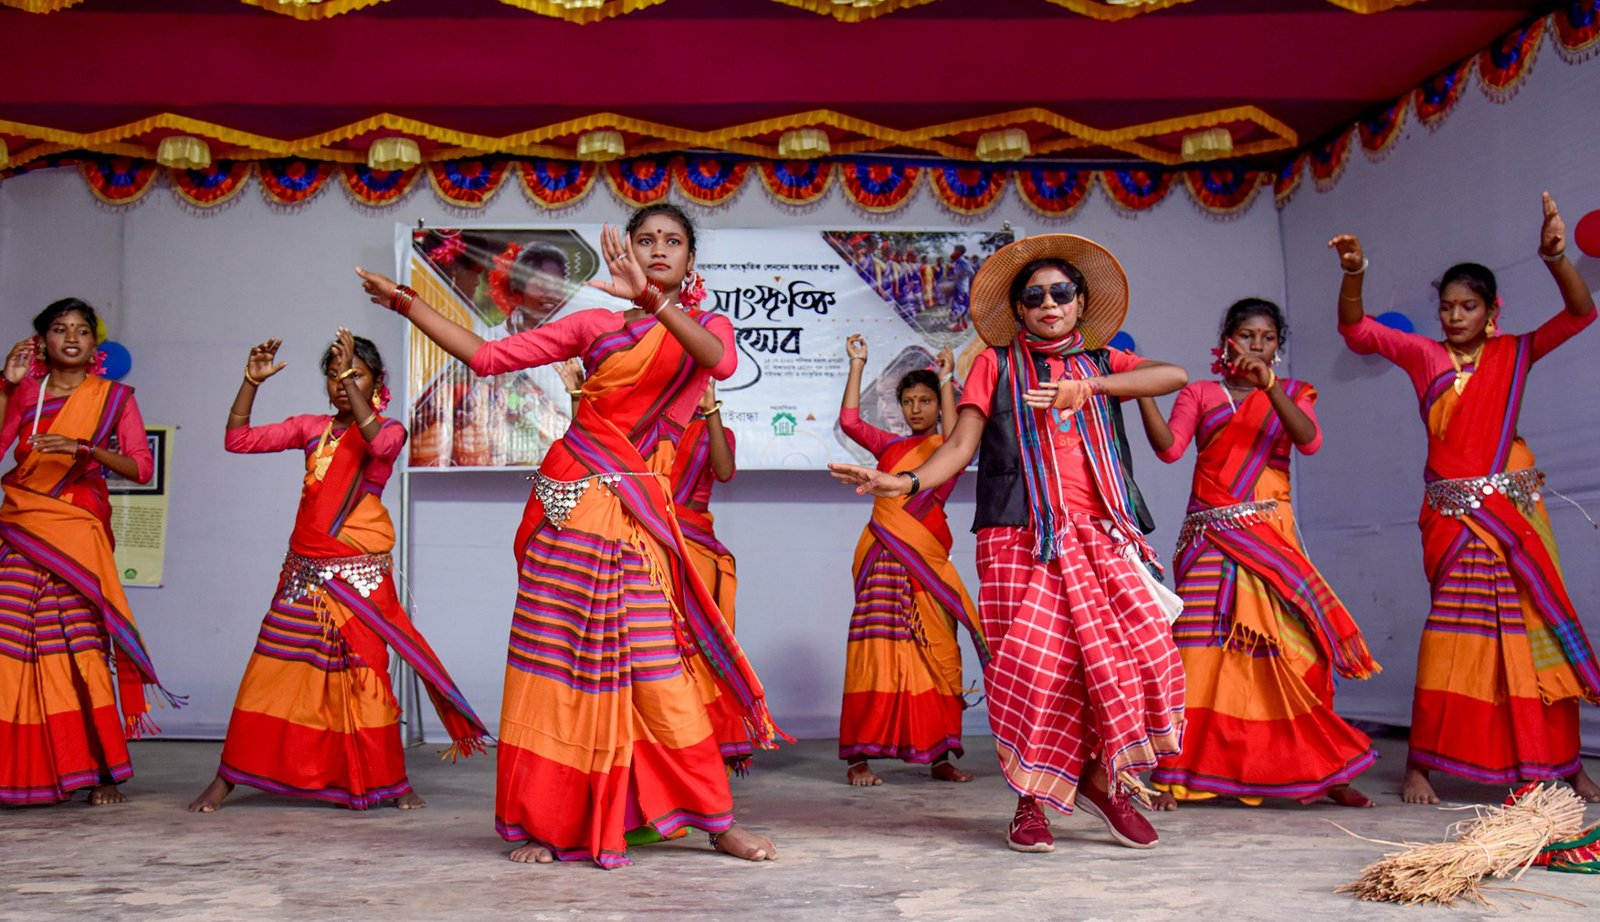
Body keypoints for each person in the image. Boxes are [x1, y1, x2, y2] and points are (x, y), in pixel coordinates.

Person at [355, 202, 782, 868]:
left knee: (659, 670)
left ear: (691, 262)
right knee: (554, 665)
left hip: (635, 511)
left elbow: (718, 364)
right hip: (569, 500)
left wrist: (651, 301)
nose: (660, 249)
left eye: (674, 242)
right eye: (647, 240)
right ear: (628, 252)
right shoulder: (593, 324)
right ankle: (542, 821)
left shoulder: (705, 326)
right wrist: (408, 302)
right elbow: (490, 356)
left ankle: (715, 820)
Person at [831, 234, 1187, 852]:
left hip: (1103, 534)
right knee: (1037, 672)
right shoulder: (993, 365)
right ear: (1020, 310)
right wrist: (904, 479)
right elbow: (961, 446)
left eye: (1061, 293)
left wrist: (1088, 389)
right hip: (1019, 538)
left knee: (1139, 658)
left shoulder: (1103, 363)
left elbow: (1174, 375)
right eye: (1035, 297)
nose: (1049, 304)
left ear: (1078, 304)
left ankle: (1104, 782)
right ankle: (1032, 804)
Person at [1333, 192, 1600, 805]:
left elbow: (1581, 315)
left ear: (1491, 311)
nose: (1455, 317)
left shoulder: (1514, 353)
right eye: (1448, 307)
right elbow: (1356, 329)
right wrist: (1354, 275)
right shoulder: (1423, 355)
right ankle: (1421, 765)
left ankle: (1560, 763)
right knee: (1455, 641)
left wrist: (1556, 260)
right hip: (1455, 522)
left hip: (1514, 515)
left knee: (1540, 635)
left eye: (1468, 307)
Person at [189, 330, 488, 813]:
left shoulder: (390, 430)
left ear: (376, 382)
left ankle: (391, 781)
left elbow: (378, 445)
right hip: (305, 573)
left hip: (359, 577)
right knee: (272, 676)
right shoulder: (311, 428)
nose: (339, 384)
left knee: (367, 679)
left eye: (353, 374)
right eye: (332, 375)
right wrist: (250, 382)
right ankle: (229, 777)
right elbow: (237, 440)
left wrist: (352, 382)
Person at [1138, 298, 1378, 810]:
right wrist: (1142, 395)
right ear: (1226, 339)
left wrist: (1270, 388)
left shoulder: (1295, 392)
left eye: (1267, 338)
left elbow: (1309, 442)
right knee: (1197, 654)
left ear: (1278, 347)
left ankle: (1325, 770)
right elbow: (1169, 450)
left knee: (1302, 654)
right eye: (1247, 335)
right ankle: (1174, 773)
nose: (1256, 345)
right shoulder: (1201, 393)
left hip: (1272, 540)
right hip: (1210, 541)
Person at [0, 297, 174, 806]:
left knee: (78, 645)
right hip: (23, 527)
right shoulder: (26, 392)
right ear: (42, 342)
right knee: (12, 643)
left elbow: (141, 468)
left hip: (78, 533)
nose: (71, 337)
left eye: (81, 329)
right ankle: (17, 768)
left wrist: (85, 450)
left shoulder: (113, 398)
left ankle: (99, 771)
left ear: (95, 345)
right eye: (59, 328)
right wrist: (7, 384)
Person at [836, 337, 981, 786]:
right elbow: (849, 420)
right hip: (883, 560)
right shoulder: (889, 448)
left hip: (928, 562)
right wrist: (858, 362)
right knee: (874, 653)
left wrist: (946, 377)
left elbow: (958, 435)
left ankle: (938, 754)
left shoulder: (949, 450)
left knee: (937, 651)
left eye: (926, 400)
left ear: (940, 404)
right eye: (908, 401)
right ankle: (859, 757)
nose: (916, 408)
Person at [669, 380, 752, 770]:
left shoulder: (714, 427)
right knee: (661, 650)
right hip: (652, 543)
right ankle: (666, 744)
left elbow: (724, 470)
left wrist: (710, 408)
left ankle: (705, 742)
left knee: (698, 648)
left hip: (695, 549)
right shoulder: (654, 427)